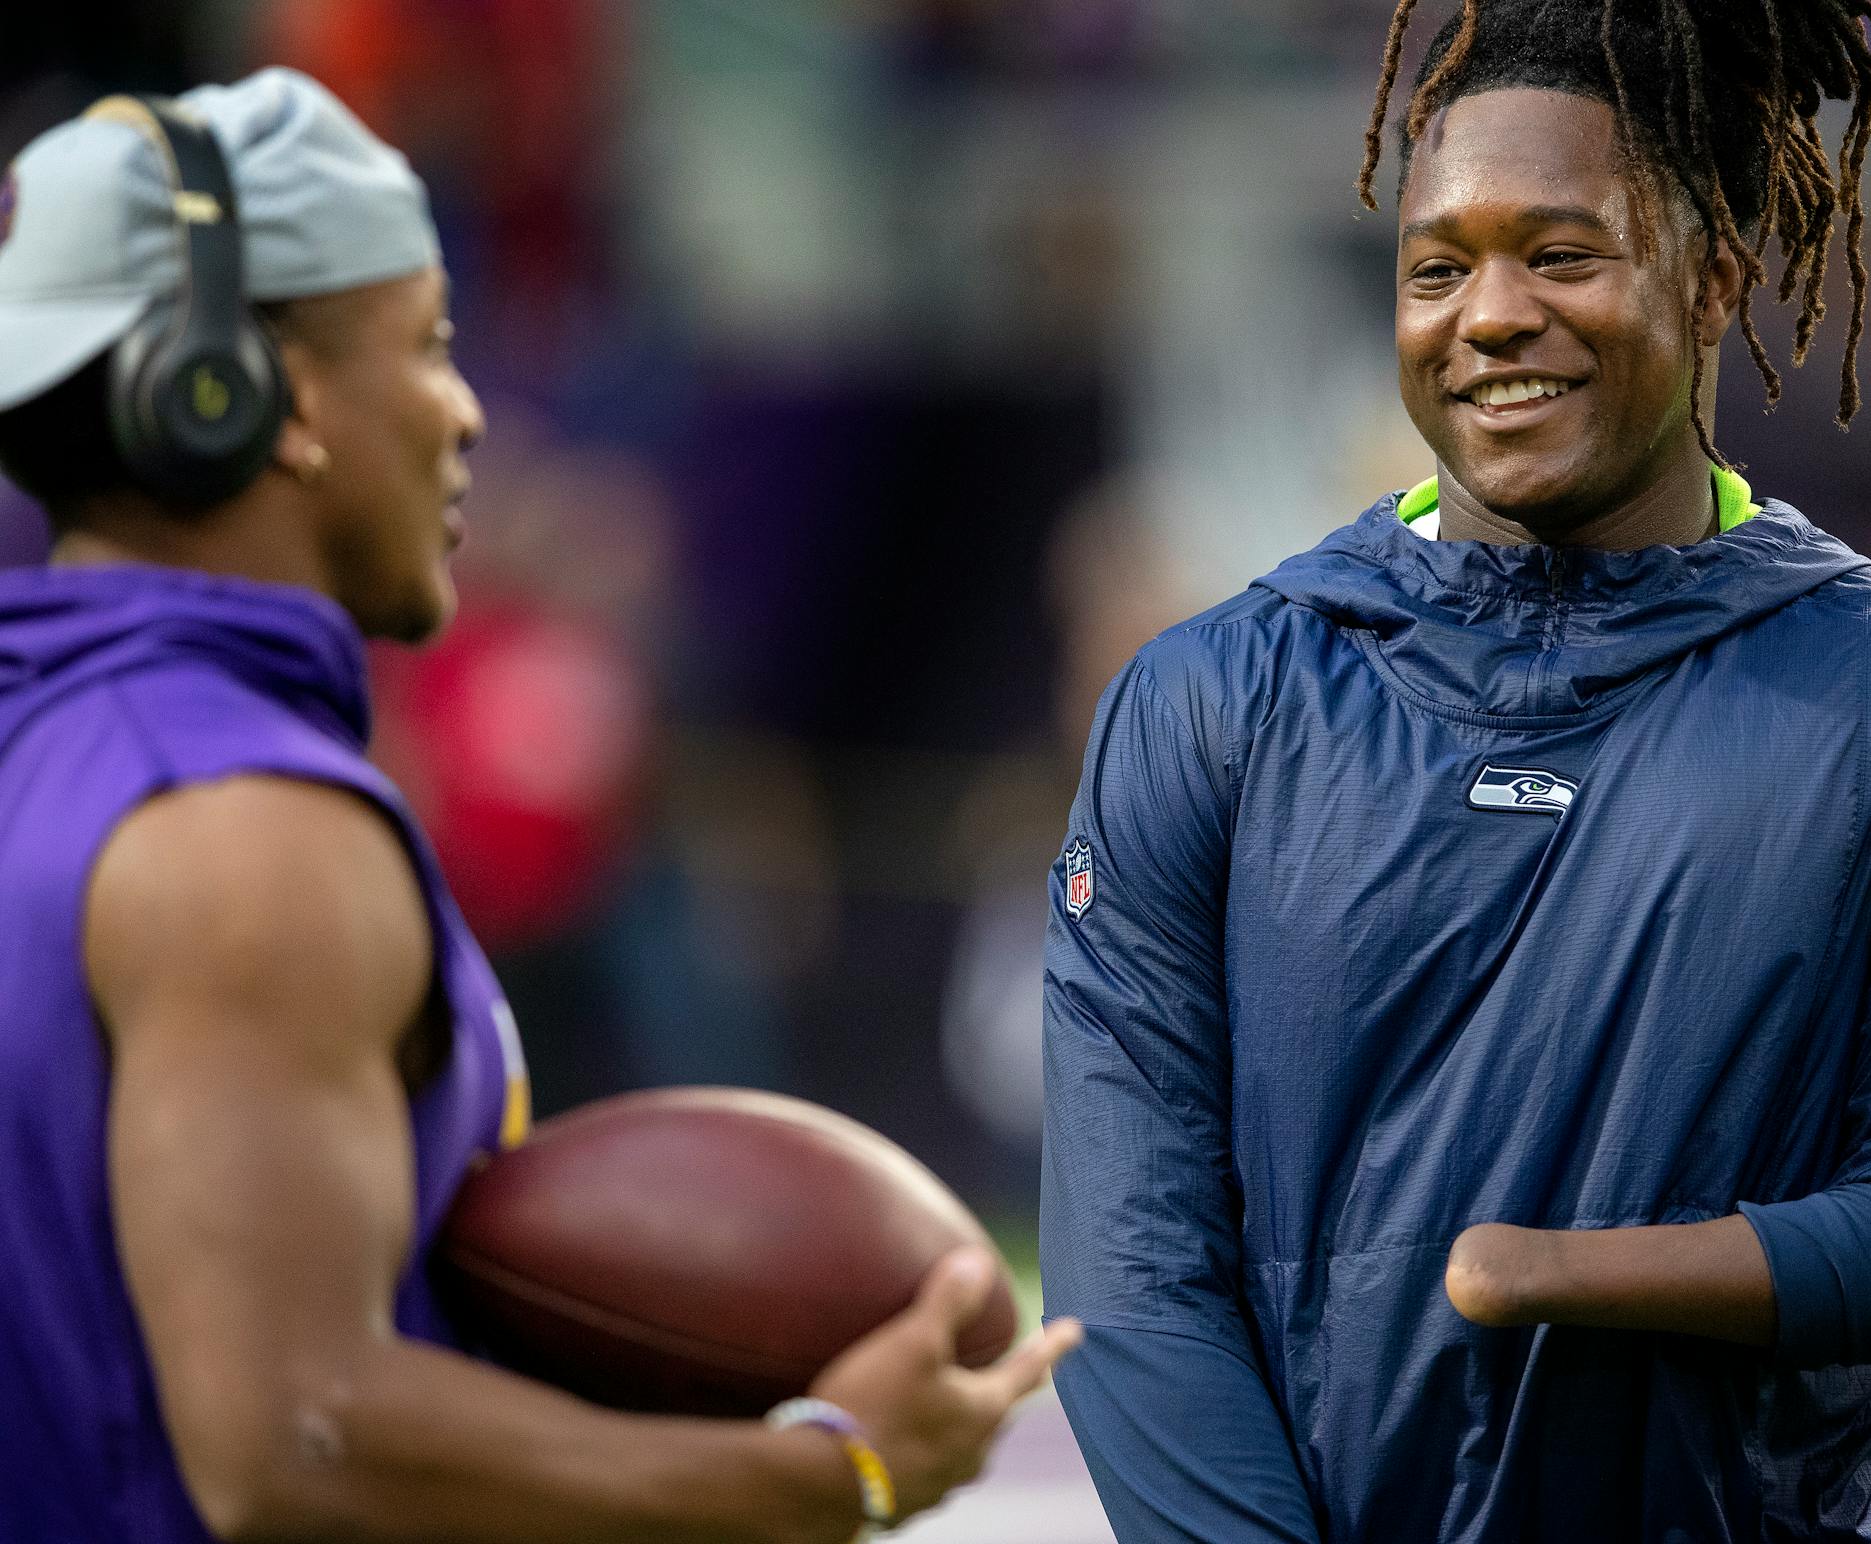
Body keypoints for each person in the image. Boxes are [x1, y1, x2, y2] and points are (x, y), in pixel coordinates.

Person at [1040, 1, 1871, 1539]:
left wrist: (1558, 1277)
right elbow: (1132, 1277)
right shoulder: (1210, 701)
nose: (1492, 314)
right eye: (1440, 267)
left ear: (1716, 273)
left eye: (1564, 254)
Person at [0, 70, 1077, 1544]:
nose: (466, 411)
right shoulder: (247, 825)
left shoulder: (53, 752)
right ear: (268, 394)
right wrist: (828, 1472)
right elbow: (294, 1440)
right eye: (430, 344)